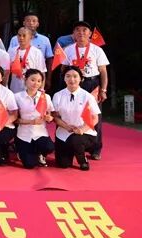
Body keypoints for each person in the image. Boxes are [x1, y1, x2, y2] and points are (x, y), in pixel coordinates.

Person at [63, 20, 109, 160]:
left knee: (95, 116)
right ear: (73, 34)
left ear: (89, 34)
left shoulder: (97, 50)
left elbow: (103, 71)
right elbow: (63, 69)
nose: (81, 32)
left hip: (92, 84)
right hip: (74, 84)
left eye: (84, 30)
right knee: (73, 114)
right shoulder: (68, 50)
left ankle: (96, 149)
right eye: (77, 30)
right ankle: (74, 146)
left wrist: (103, 90)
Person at [52, 67, 101, 171]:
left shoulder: (87, 96)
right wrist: (66, 127)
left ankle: (82, 160)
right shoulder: (58, 95)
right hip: (64, 132)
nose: (72, 79)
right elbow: (55, 116)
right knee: (63, 164)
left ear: (81, 79)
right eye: (68, 76)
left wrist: (82, 129)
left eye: (75, 76)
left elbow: (95, 118)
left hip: (84, 133)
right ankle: (72, 151)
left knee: (76, 140)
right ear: (64, 79)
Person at [14, 69, 54, 169]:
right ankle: (21, 150)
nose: (36, 83)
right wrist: (31, 122)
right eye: (33, 80)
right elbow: (15, 119)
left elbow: (50, 114)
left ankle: (40, 153)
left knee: (49, 147)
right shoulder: (17, 97)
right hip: (24, 134)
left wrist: (49, 118)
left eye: (39, 81)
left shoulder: (46, 97)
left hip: (40, 132)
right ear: (25, 80)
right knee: (29, 165)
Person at [9, 12, 55, 87]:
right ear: (24, 23)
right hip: (15, 82)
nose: (31, 23)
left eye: (34, 21)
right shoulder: (13, 42)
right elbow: (8, 65)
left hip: (34, 83)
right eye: (28, 20)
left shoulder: (44, 41)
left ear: (38, 24)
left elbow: (47, 63)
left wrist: (47, 81)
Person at [6, 27, 47, 93]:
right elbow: (7, 72)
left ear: (31, 37)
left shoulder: (37, 52)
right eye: (19, 35)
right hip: (14, 89)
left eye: (24, 35)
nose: (21, 38)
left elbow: (42, 72)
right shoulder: (11, 51)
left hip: (31, 90)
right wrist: (5, 86)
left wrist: (41, 89)